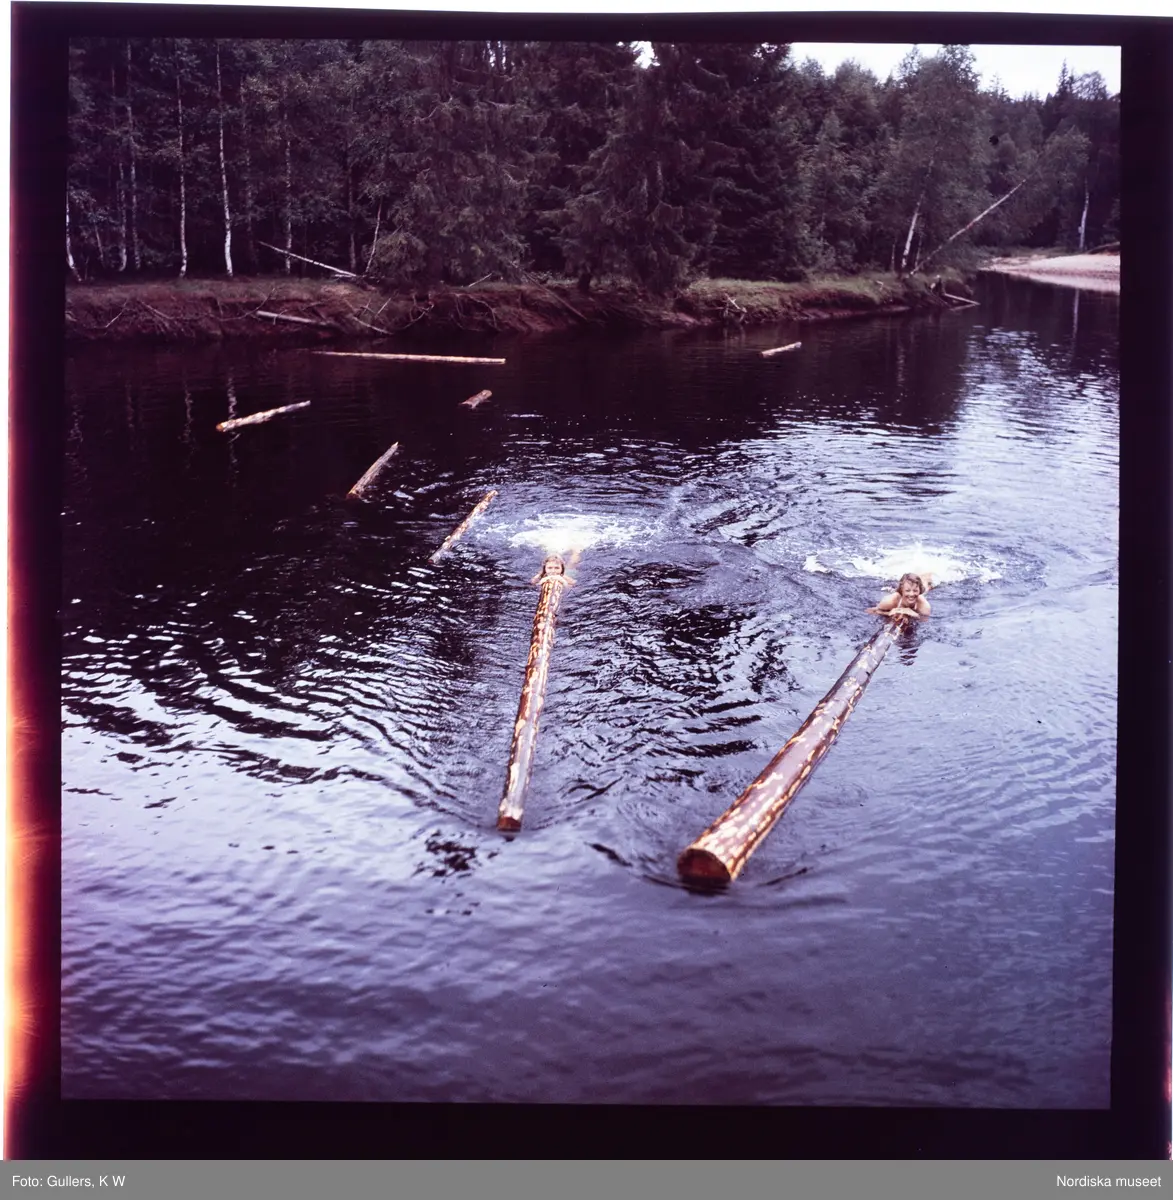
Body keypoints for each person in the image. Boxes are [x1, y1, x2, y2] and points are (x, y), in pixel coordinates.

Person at [866, 571, 933, 620]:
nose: (911, 594)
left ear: (919, 590)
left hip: (922, 591)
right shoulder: (890, 601)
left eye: (915, 591)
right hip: (897, 596)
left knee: (927, 586)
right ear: (902, 590)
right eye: (907, 591)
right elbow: (870, 611)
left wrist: (915, 614)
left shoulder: (924, 605)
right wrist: (889, 613)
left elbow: (925, 619)